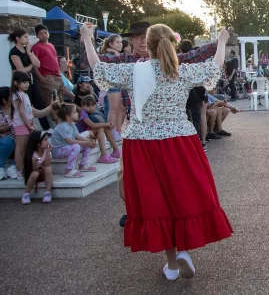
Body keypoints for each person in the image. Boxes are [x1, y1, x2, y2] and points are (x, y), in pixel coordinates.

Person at [83, 22, 233, 281]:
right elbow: (216, 65)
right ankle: (184, 249)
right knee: (182, 195)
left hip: (141, 143)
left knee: (156, 202)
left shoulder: (131, 71)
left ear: (147, 45)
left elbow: (97, 66)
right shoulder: (180, 71)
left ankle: (172, 263)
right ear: (171, 43)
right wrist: (221, 41)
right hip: (179, 141)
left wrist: (86, 37)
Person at [10, 71, 52, 179]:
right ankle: (20, 170)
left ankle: (27, 168)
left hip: (29, 124)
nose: (27, 84)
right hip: (20, 124)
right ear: (15, 83)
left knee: (27, 148)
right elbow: (21, 112)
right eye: (23, 82)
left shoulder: (25, 95)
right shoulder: (16, 95)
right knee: (20, 148)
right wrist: (29, 125)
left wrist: (32, 123)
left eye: (27, 82)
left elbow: (30, 112)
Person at [7, 29, 50, 130]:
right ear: (18, 39)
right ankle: (27, 126)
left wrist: (29, 53)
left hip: (31, 80)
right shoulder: (14, 53)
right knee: (27, 104)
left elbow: (38, 64)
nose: (28, 39)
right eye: (25, 37)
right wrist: (31, 65)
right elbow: (21, 69)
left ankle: (47, 128)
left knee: (39, 103)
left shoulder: (28, 50)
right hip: (21, 81)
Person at [50, 102, 96, 178]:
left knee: (86, 145)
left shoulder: (72, 125)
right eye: (74, 112)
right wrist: (86, 142)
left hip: (67, 147)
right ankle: (69, 170)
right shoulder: (62, 126)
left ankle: (83, 165)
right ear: (68, 116)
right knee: (76, 146)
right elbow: (70, 141)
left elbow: (78, 136)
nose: (77, 113)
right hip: (58, 151)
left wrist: (88, 141)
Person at [30, 24, 66, 115]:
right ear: (37, 36)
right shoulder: (36, 47)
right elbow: (34, 65)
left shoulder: (51, 45)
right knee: (52, 101)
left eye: (45, 33)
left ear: (48, 33)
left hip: (57, 76)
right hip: (47, 76)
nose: (44, 35)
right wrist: (41, 78)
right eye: (41, 34)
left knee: (60, 100)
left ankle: (61, 119)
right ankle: (54, 122)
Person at [77, 95, 121, 163]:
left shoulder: (93, 112)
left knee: (105, 127)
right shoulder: (83, 113)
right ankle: (103, 155)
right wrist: (106, 124)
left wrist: (107, 125)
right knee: (100, 128)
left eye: (92, 105)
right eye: (87, 106)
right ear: (83, 106)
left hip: (88, 134)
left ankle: (116, 150)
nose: (90, 108)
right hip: (80, 137)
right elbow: (92, 125)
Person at [100, 34, 126, 136]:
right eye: (117, 42)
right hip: (113, 84)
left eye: (121, 42)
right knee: (114, 108)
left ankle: (118, 130)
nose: (120, 44)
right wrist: (113, 52)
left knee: (121, 108)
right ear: (110, 44)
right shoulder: (107, 56)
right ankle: (111, 131)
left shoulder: (118, 54)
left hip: (120, 84)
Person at [20, 130, 54, 204]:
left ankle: (47, 193)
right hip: (33, 174)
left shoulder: (45, 151)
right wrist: (35, 163)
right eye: (45, 140)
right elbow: (33, 169)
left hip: (42, 173)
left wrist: (48, 152)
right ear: (38, 143)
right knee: (35, 173)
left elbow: (47, 164)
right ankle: (26, 194)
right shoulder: (32, 154)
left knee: (48, 169)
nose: (48, 142)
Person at [0, 87, 16, 181]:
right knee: (8, 141)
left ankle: (13, 167)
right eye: (11, 96)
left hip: (17, 142)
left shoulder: (17, 109)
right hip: (4, 143)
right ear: (4, 100)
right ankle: (0, 167)